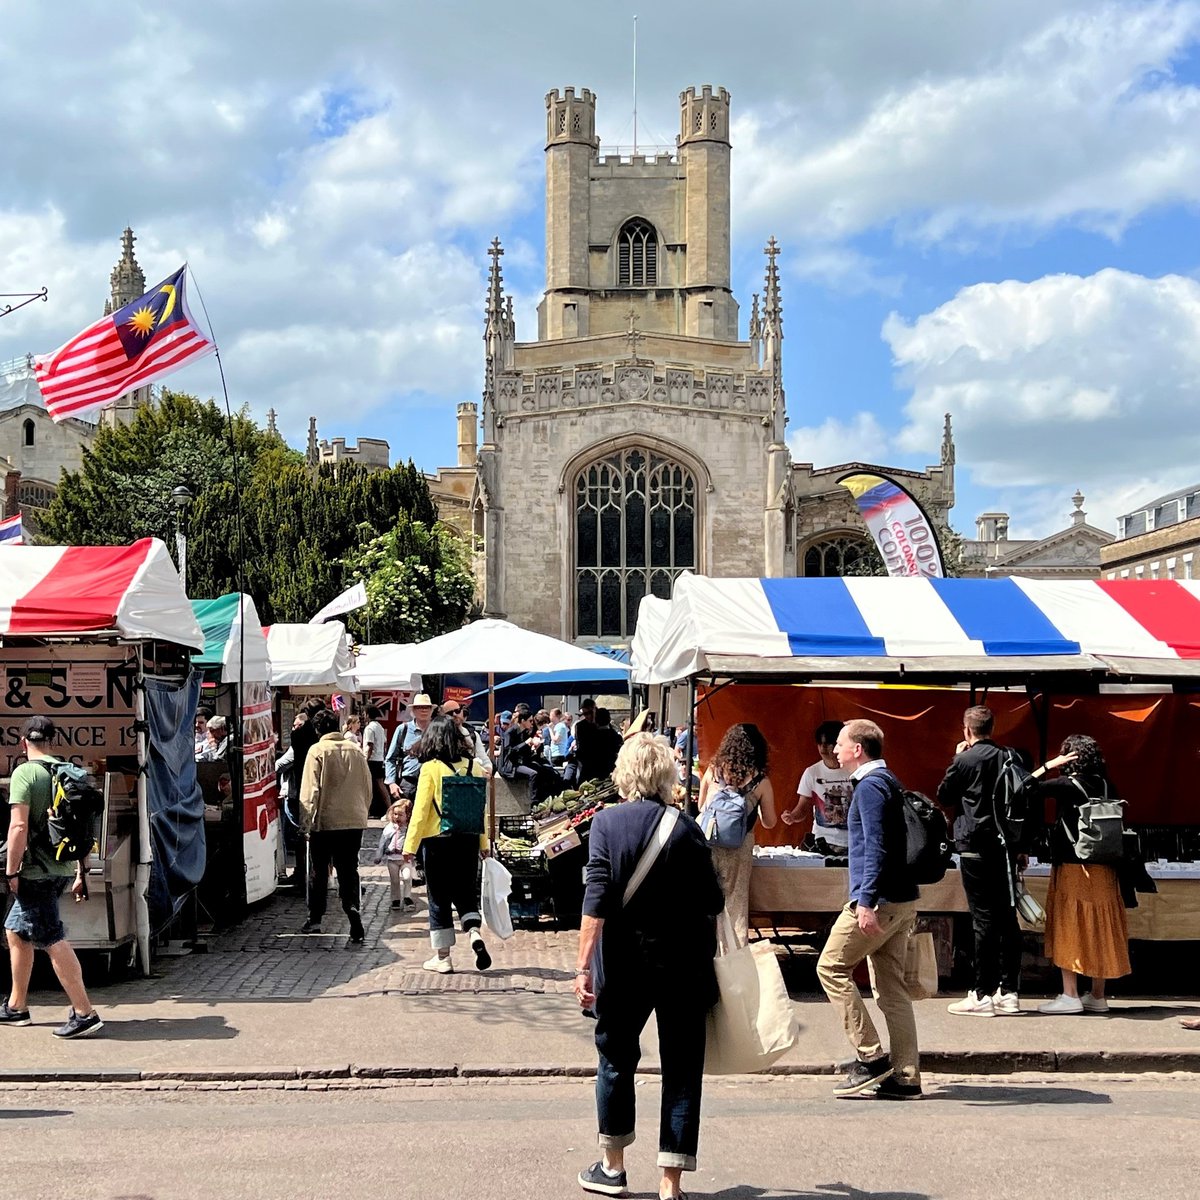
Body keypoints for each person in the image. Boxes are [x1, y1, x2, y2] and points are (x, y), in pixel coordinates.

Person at [574, 733, 723, 1200]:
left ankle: (612, 1167)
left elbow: (595, 901)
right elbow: (713, 900)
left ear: (624, 774)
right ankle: (670, 1182)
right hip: (683, 966)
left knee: (616, 1060)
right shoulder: (687, 828)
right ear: (666, 777)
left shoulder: (605, 823)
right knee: (682, 1068)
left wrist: (582, 967)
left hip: (623, 965)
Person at [816, 719, 921, 1098]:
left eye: (840, 743)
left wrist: (866, 901)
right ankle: (906, 1078)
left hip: (880, 900)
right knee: (893, 990)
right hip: (901, 899)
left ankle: (871, 1058)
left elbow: (875, 845)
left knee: (830, 967)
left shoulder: (870, 786)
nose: (835, 749)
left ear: (857, 749)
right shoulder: (887, 781)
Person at [1, 716, 103, 1038]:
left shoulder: (25, 773)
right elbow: (82, 827)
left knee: (51, 938)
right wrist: (81, 871)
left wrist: (11, 871)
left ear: (23, 742)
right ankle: (16, 1006)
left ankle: (85, 1013)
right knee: (16, 931)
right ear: (51, 741)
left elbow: (18, 827)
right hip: (61, 868)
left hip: (34, 872)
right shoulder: (67, 771)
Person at [1020, 734, 1131, 1015]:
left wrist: (1049, 765)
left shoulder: (1067, 785)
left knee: (1070, 923)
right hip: (1106, 866)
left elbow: (1023, 788)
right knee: (1100, 925)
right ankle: (1098, 995)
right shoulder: (1107, 785)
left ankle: (1070, 995)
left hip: (1074, 866)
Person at [936, 705, 1024, 1017]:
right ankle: (1009, 991)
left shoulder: (964, 760)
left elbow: (944, 795)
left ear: (967, 730)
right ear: (992, 728)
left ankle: (981, 993)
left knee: (983, 920)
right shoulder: (1010, 757)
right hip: (1005, 846)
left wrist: (956, 757)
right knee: (1008, 918)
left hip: (974, 845)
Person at [403, 716, 491, 974]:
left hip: (437, 840)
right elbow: (480, 810)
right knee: (466, 891)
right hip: (469, 838)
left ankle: (443, 958)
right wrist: (484, 842)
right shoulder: (474, 766)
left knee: (438, 896)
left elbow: (420, 811)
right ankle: (474, 932)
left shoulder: (431, 768)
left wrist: (410, 846)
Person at [697, 723, 777, 946]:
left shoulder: (713, 772)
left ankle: (707, 954)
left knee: (706, 901)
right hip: (740, 847)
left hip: (709, 843)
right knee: (736, 906)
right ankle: (734, 958)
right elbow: (770, 822)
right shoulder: (760, 782)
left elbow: (702, 806)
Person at [299, 708, 372, 944]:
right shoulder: (356, 750)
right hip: (353, 820)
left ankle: (315, 918)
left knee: (320, 870)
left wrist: (305, 823)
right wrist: (362, 812)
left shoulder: (317, 750)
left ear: (317, 729)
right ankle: (352, 908)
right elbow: (367, 787)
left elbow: (310, 791)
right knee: (349, 869)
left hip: (326, 821)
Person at [782, 720, 852, 856]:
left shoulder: (854, 770)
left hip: (853, 842)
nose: (824, 749)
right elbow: (803, 807)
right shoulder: (812, 772)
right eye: (820, 744)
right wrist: (792, 816)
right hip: (823, 843)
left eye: (829, 744)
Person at [500, 704, 564, 805]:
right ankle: (534, 803)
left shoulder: (524, 732)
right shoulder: (510, 733)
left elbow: (526, 752)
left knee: (546, 771)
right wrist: (526, 743)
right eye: (530, 721)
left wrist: (535, 746)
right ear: (523, 721)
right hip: (510, 765)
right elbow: (509, 751)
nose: (532, 723)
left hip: (521, 761)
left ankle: (551, 798)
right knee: (533, 774)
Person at [385, 692, 436, 801]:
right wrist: (391, 783)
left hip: (433, 783)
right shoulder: (403, 729)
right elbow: (390, 758)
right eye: (420, 707)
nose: (424, 710)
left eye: (427, 707)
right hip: (409, 783)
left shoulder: (438, 730)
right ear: (413, 710)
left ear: (432, 710)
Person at [375, 798, 415, 912]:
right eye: (395, 814)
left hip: (405, 859)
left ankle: (407, 897)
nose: (397, 817)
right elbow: (382, 842)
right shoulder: (390, 828)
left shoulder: (410, 828)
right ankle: (395, 899)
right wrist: (379, 855)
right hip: (392, 859)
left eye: (400, 815)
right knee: (394, 880)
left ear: (407, 815)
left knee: (407, 877)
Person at [440, 699, 493, 778]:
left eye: (457, 711)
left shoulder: (473, 735)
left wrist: (487, 771)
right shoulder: (439, 735)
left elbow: (484, 759)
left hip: (469, 780)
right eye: (450, 713)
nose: (454, 714)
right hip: (444, 778)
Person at [362, 702, 390, 819]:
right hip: (379, 759)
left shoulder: (369, 728)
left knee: (367, 785)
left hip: (371, 760)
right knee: (380, 784)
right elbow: (384, 743)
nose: (363, 716)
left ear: (368, 714)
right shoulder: (379, 727)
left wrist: (365, 760)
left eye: (364, 713)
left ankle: (366, 810)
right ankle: (389, 807)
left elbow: (370, 745)